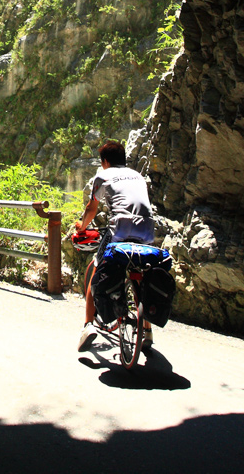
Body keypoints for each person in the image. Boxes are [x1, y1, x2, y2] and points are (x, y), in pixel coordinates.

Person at [75, 140, 156, 352]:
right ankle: (147, 331)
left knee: (96, 269)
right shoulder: (138, 176)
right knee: (141, 271)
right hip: (147, 231)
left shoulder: (102, 176)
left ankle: (88, 326)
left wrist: (81, 227)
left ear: (105, 162)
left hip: (119, 230)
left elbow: (91, 209)